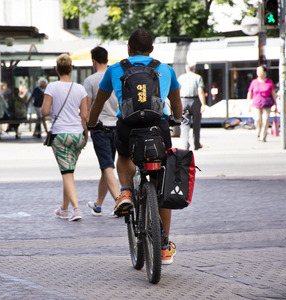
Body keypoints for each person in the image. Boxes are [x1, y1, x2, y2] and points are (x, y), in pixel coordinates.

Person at [87, 29, 183, 264]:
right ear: (152, 50)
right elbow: (176, 102)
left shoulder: (115, 69)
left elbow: (99, 101)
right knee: (161, 187)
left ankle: (127, 191)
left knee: (124, 156)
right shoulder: (165, 69)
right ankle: (163, 245)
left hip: (127, 127)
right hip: (158, 128)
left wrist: (92, 124)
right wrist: (177, 119)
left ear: (128, 49)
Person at [41, 53, 89, 222]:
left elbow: (45, 111)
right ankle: (64, 208)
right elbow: (84, 115)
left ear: (56, 70)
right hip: (77, 135)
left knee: (67, 173)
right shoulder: (80, 89)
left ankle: (76, 209)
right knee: (68, 171)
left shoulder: (52, 87)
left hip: (60, 135)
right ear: (71, 69)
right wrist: (86, 135)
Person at [83, 46, 120, 217]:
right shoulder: (117, 76)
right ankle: (98, 204)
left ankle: (121, 202)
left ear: (93, 61)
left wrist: (86, 129)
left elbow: (88, 108)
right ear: (107, 58)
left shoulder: (90, 81)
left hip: (100, 128)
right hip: (118, 126)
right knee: (107, 168)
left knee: (107, 167)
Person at [178, 63, 207, 150]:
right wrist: (203, 104)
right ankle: (196, 144)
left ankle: (185, 145)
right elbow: (200, 91)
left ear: (186, 68)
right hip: (195, 101)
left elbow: (177, 91)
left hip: (183, 101)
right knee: (196, 123)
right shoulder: (198, 77)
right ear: (194, 68)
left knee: (184, 123)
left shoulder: (181, 78)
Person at [247, 65, 278, 142]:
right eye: (257, 71)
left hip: (267, 104)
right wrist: (248, 103)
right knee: (257, 119)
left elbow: (273, 93)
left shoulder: (269, 82)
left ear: (264, 72)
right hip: (256, 104)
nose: (258, 72)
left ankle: (263, 136)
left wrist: (276, 104)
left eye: (260, 71)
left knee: (265, 120)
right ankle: (258, 132)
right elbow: (250, 93)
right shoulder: (254, 82)